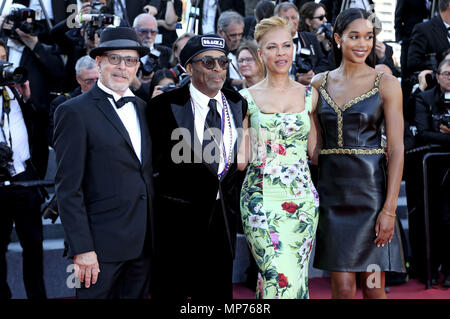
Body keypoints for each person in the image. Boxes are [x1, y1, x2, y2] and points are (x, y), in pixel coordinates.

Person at [311, 8, 406, 299]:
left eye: (368, 36)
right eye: (354, 37)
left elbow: (398, 149)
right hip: (333, 198)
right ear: (338, 39)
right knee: (342, 289)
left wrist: (389, 210)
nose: (363, 44)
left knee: (374, 288)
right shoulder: (318, 84)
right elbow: (313, 150)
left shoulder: (386, 84)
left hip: (372, 199)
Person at [53, 27, 154, 299]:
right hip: (98, 249)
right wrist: (82, 249)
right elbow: (67, 188)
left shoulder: (144, 110)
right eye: (115, 59)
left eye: (130, 60)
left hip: (143, 245)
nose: (123, 67)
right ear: (99, 62)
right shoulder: (73, 112)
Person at [147, 34, 247, 299]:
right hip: (177, 221)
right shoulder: (162, 106)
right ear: (188, 68)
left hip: (223, 216)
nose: (218, 69)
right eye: (208, 62)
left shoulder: (238, 102)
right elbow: (152, 165)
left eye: (223, 62)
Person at [238, 16, 320, 299]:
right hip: (259, 200)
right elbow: (240, 160)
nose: (281, 53)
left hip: (302, 201)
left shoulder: (311, 95)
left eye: (286, 45)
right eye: (272, 47)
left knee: (294, 276)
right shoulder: (244, 98)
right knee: (275, 274)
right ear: (261, 54)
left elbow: (316, 153)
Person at [0, 40, 47, 299]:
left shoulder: (14, 90)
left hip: (24, 179)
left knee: (34, 247)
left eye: (5, 58)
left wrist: (28, 99)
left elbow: (40, 126)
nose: (2, 65)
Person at [412, 58, 450, 286]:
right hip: (431, 170)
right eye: (446, 74)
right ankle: (431, 268)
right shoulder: (423, 98)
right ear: (436, 76)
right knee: (437, 219)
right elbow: (423, 133)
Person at [275, 2, 331, 86]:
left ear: (298, 19)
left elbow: (324, 64)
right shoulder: (273, 44)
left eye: (294, 17)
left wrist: (312, 74)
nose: (291, 22)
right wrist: (295, 78)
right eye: (285, 18)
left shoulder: (310, 38)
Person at [48, 55, 99, 145]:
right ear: (78, 79)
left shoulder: (114, 98)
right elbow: (55, 139)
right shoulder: (62, 103)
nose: (95, 85)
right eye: (89, 81)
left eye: (98, 80)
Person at [217, 10, 246, 89]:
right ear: (220, 32)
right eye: (233, 35)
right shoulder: (214, 53)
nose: (237, 39)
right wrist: (241, 82)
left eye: (240, 34)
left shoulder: (245, 50)